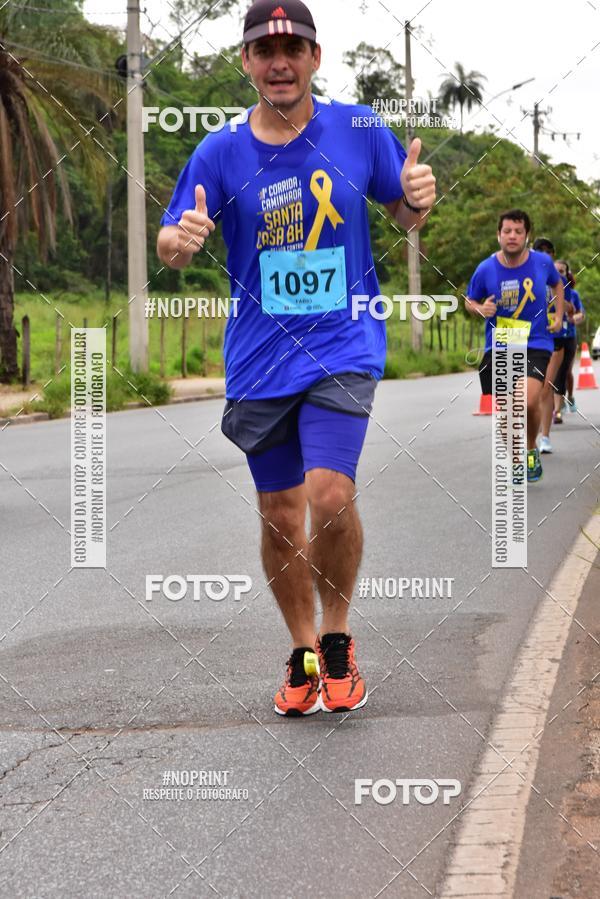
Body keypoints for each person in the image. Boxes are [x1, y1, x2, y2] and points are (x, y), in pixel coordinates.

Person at [156, 0, 436, 716]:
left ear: (316, 57)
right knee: (279, 513)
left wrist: (415, 202)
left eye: (293, 47)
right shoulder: (218, 150)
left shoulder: (360, 129)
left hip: (344, 341)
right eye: (264, 49)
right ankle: (304, 647)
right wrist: (180, 242)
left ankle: (339, 637)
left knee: (328, 494)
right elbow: (171, 240)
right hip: (258, 358)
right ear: (246, 63)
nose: (279, 61)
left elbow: (401, 211)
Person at [465, 211, 564, 482]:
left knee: (528, 401)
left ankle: (530, 446)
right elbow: (469, 300)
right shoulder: (485, 269)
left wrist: (557, 315)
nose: (512, 236)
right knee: (507, 410)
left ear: (526, 236)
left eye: (518, 231)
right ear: (499, 235)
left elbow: (558, 284)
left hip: (535, 341)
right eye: (507, 231)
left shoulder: (542, 262)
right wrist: (480, 308)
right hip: (500, 344)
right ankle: (519, 460)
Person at [533, 239, 574, 452]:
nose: (544, 254)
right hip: (527, 337)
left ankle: (545, 437)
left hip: (552, 338)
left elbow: (569, 306)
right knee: (527, 393)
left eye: (549, 251)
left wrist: (560, 310)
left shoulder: (557, 280)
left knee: (545, 388)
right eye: (540, 250)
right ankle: (529, 434)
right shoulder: (524, 273)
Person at [554, 262, 585, 414]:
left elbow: (580, 314)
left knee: (566, 371)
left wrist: (574, 318)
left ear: (567, 273)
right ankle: (556, 409)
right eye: (555, 271)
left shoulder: (573, 294)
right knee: (553, 372)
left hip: (569, 337)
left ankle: (570, 397)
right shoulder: (544, 291)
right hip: (550, 337)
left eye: (562, 271)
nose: (558, 273)